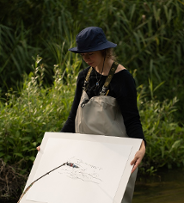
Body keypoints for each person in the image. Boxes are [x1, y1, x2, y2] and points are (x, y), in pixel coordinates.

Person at [38, 26, 146, 203]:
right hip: (86, 156)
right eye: (82, 55)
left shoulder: (123, 79)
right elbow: (73, 118)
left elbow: (132, 119)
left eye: (90, 54)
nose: (86, 59)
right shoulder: (84, 77)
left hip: (115, 157)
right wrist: (53, 147)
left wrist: (142, 146)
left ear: (104, 50)